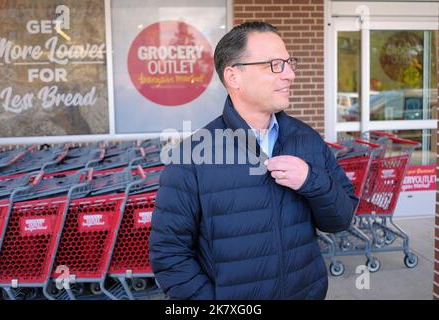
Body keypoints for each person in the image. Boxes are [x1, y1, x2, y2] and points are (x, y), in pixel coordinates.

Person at [149, 21, 358, 300]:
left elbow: (341, 219)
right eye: (274, 65)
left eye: (288, 63)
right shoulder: (192, 157)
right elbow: (169, 255)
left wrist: (312, 180)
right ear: (234, 77)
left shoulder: (306, 139)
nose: (290, 75)